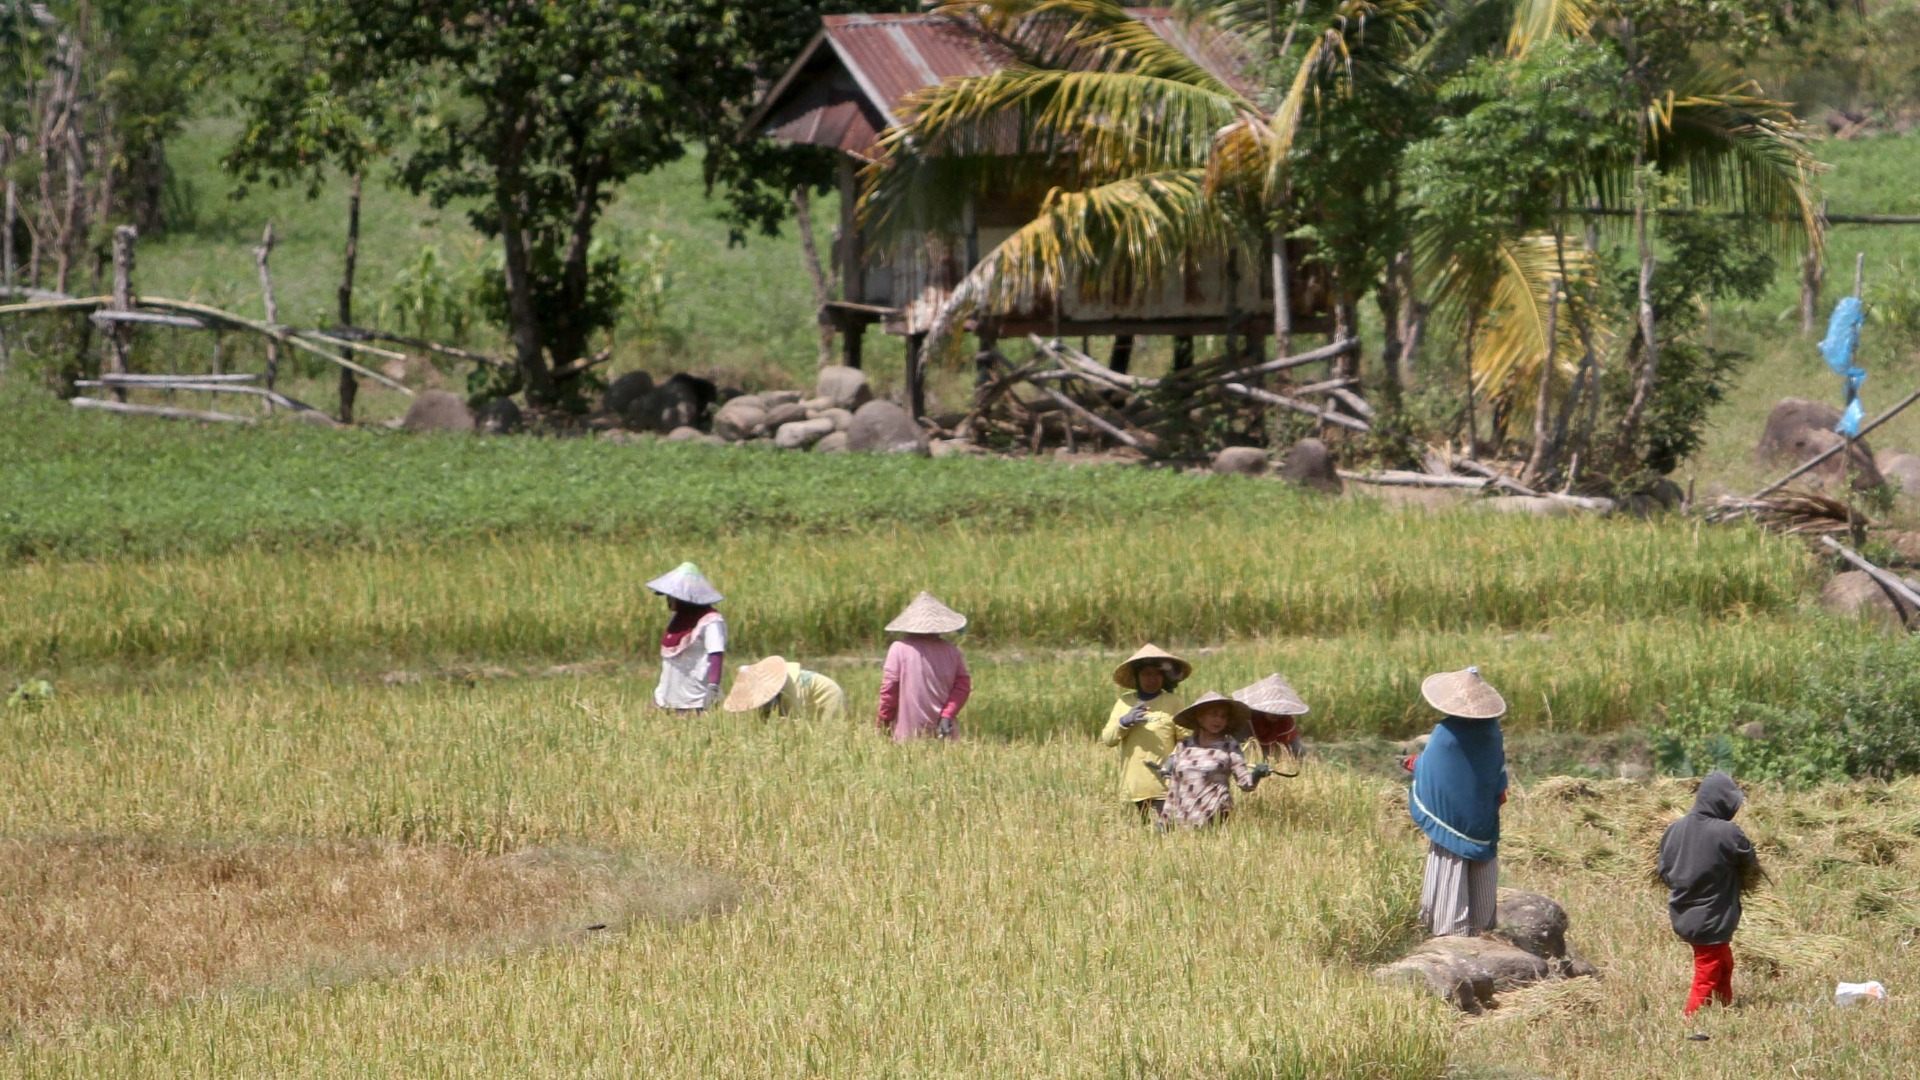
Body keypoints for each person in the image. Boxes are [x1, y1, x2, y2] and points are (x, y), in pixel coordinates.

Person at [1406, 666, 1508, 937]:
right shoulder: (1492, 733)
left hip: (1449, 816)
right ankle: (1482, 926)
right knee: (1481, 864)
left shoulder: (1445, 733)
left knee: (1449, 860)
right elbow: (1496, 773)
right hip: (1480, 815)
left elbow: (1433, 770)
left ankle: (1450, 927)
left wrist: (1416, 765)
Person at [1657, 771, 1761, 1020]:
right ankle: (1691, 1017)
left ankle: (1724, 1007)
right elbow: (1748, 859)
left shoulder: (1674, 829)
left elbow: (1663, 870)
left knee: (1724, 962)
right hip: (1711, 917)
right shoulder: (1727, 832)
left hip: (1683, 913)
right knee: (1707, 969)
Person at [1099, 644, 1192, 822]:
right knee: (1137, 839)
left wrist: (1175, 758)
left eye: (1156, 674)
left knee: (1166, 832)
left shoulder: (1173, 702)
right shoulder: (1124, 702)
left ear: (1163, 677)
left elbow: (1186, 739)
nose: (1152, 679)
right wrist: (1124, 722)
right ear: (1137, 677)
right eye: (1146, 674)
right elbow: (1108, 739)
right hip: (1133, 787)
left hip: (1164, 785)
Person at [1156, 692, 1273, 829]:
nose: (1219, 720)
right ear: (1200, 717)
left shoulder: (1229, 746)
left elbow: (1245, 784)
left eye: (1223, 716)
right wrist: (1165, 819)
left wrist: (1256, 774)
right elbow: (1175, 785)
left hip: (1215, 818)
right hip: (1184, 820)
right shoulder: (1184, 745)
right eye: (1214, 714)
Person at [876, 592, 972, 741]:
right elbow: (963, 687)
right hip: (944, 730)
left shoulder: (899, 649)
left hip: (908, 734)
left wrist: (884, 720)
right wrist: (948, 715)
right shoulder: (952, 651)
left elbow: (889, 691)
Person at [647, 562, 726, 712]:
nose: (668, 601)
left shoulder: (711, 621)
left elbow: (716, 653)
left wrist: (713, 687)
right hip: (666, 696)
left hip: (694, 699)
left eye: (672, 597)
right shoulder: (676, 619)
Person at [722, 655, 848, 722]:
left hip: (829, 695)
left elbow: (798, 722)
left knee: (828, 731)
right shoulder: (776, 686)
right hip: (809, 698)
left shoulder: (791, 690)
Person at [1233, 673, 1308, 762]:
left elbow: (1297, 749)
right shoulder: (1246, 719)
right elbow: (1240, 748)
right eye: (1272, 710)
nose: (1276, 715)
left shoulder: (1285, 721)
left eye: (1280, 710)